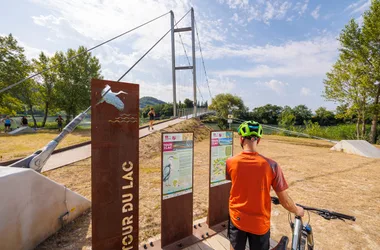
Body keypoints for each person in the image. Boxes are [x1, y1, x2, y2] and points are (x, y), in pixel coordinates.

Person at [226, 121, 304, 250]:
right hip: (259, 223)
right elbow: (285, 201)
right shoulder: (272, 165)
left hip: (237, 217)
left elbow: (236, 182)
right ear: (259, 140)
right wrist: (297, 210)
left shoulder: (230, 162)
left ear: (241, 138)